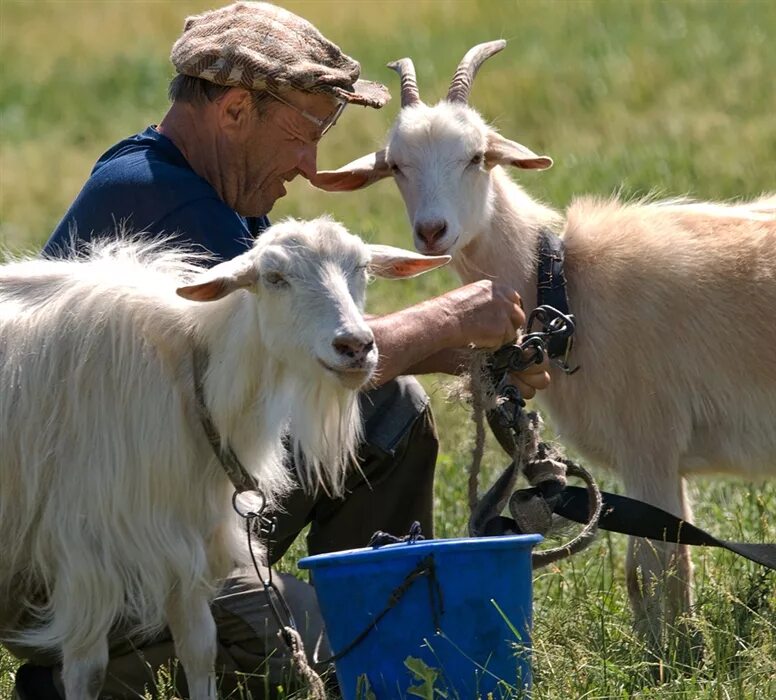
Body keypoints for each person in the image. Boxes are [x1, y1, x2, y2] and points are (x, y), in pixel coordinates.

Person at [9, 2, 550, 698]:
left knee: (389, 411)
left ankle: (368, 609)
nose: (310, 164)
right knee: (298, 649)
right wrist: (443, 320)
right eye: (306, 130)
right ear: (236, 110)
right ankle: (95, 671)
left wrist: (455, 350)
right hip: (85, 556)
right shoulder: (157, 205)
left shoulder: (217, 194)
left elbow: (297, 353)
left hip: (171, 503)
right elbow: (253, 362)